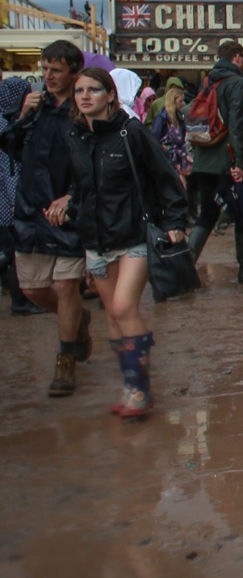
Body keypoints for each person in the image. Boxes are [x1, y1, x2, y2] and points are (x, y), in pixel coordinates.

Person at [56, 68, 189, 417]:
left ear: (111, 96)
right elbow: (78, 185)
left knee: (122, 308)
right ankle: (133, 384)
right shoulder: (74, 136)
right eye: (79, 90)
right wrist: (68, 204)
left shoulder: (131, 132)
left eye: (94, 90)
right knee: (113, 318)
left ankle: (140, 391)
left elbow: (165, 175)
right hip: (95, 238)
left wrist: (175, 221)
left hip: (134, 234)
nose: (85, 96)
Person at [8, 40, 93, 396]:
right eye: (44, 70)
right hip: (30, 210)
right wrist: (22, 117)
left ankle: (66, 362)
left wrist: (73, 196)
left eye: (55, 70)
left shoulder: (82, 108)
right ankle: (76, 322)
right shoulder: (36, 107)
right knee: (33, 289)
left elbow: (93, 160)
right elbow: (11, 146)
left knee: (65, 285)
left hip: (69, 213)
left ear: (73, 70)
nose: (48, 77)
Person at [186, 41, 243, 284]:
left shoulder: (208, 81)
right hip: (230, 160)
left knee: (208, 214)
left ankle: (185, 265)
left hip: (204, 158)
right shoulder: (238, 84)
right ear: (236, 57)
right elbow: (237, 125)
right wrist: (239, 161)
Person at [0, 77, 45, 315]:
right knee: (15, 251)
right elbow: (10, 168)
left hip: (9, 198)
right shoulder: (7, 124)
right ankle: (21, 300)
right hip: (9, 199)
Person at [150, 85, 190, 185]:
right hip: (166, 160)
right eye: (180, 101)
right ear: (173, 100)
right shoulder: (161, 118)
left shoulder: (179, 116)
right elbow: (154, 140)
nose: (183, 104)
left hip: (178, 160)